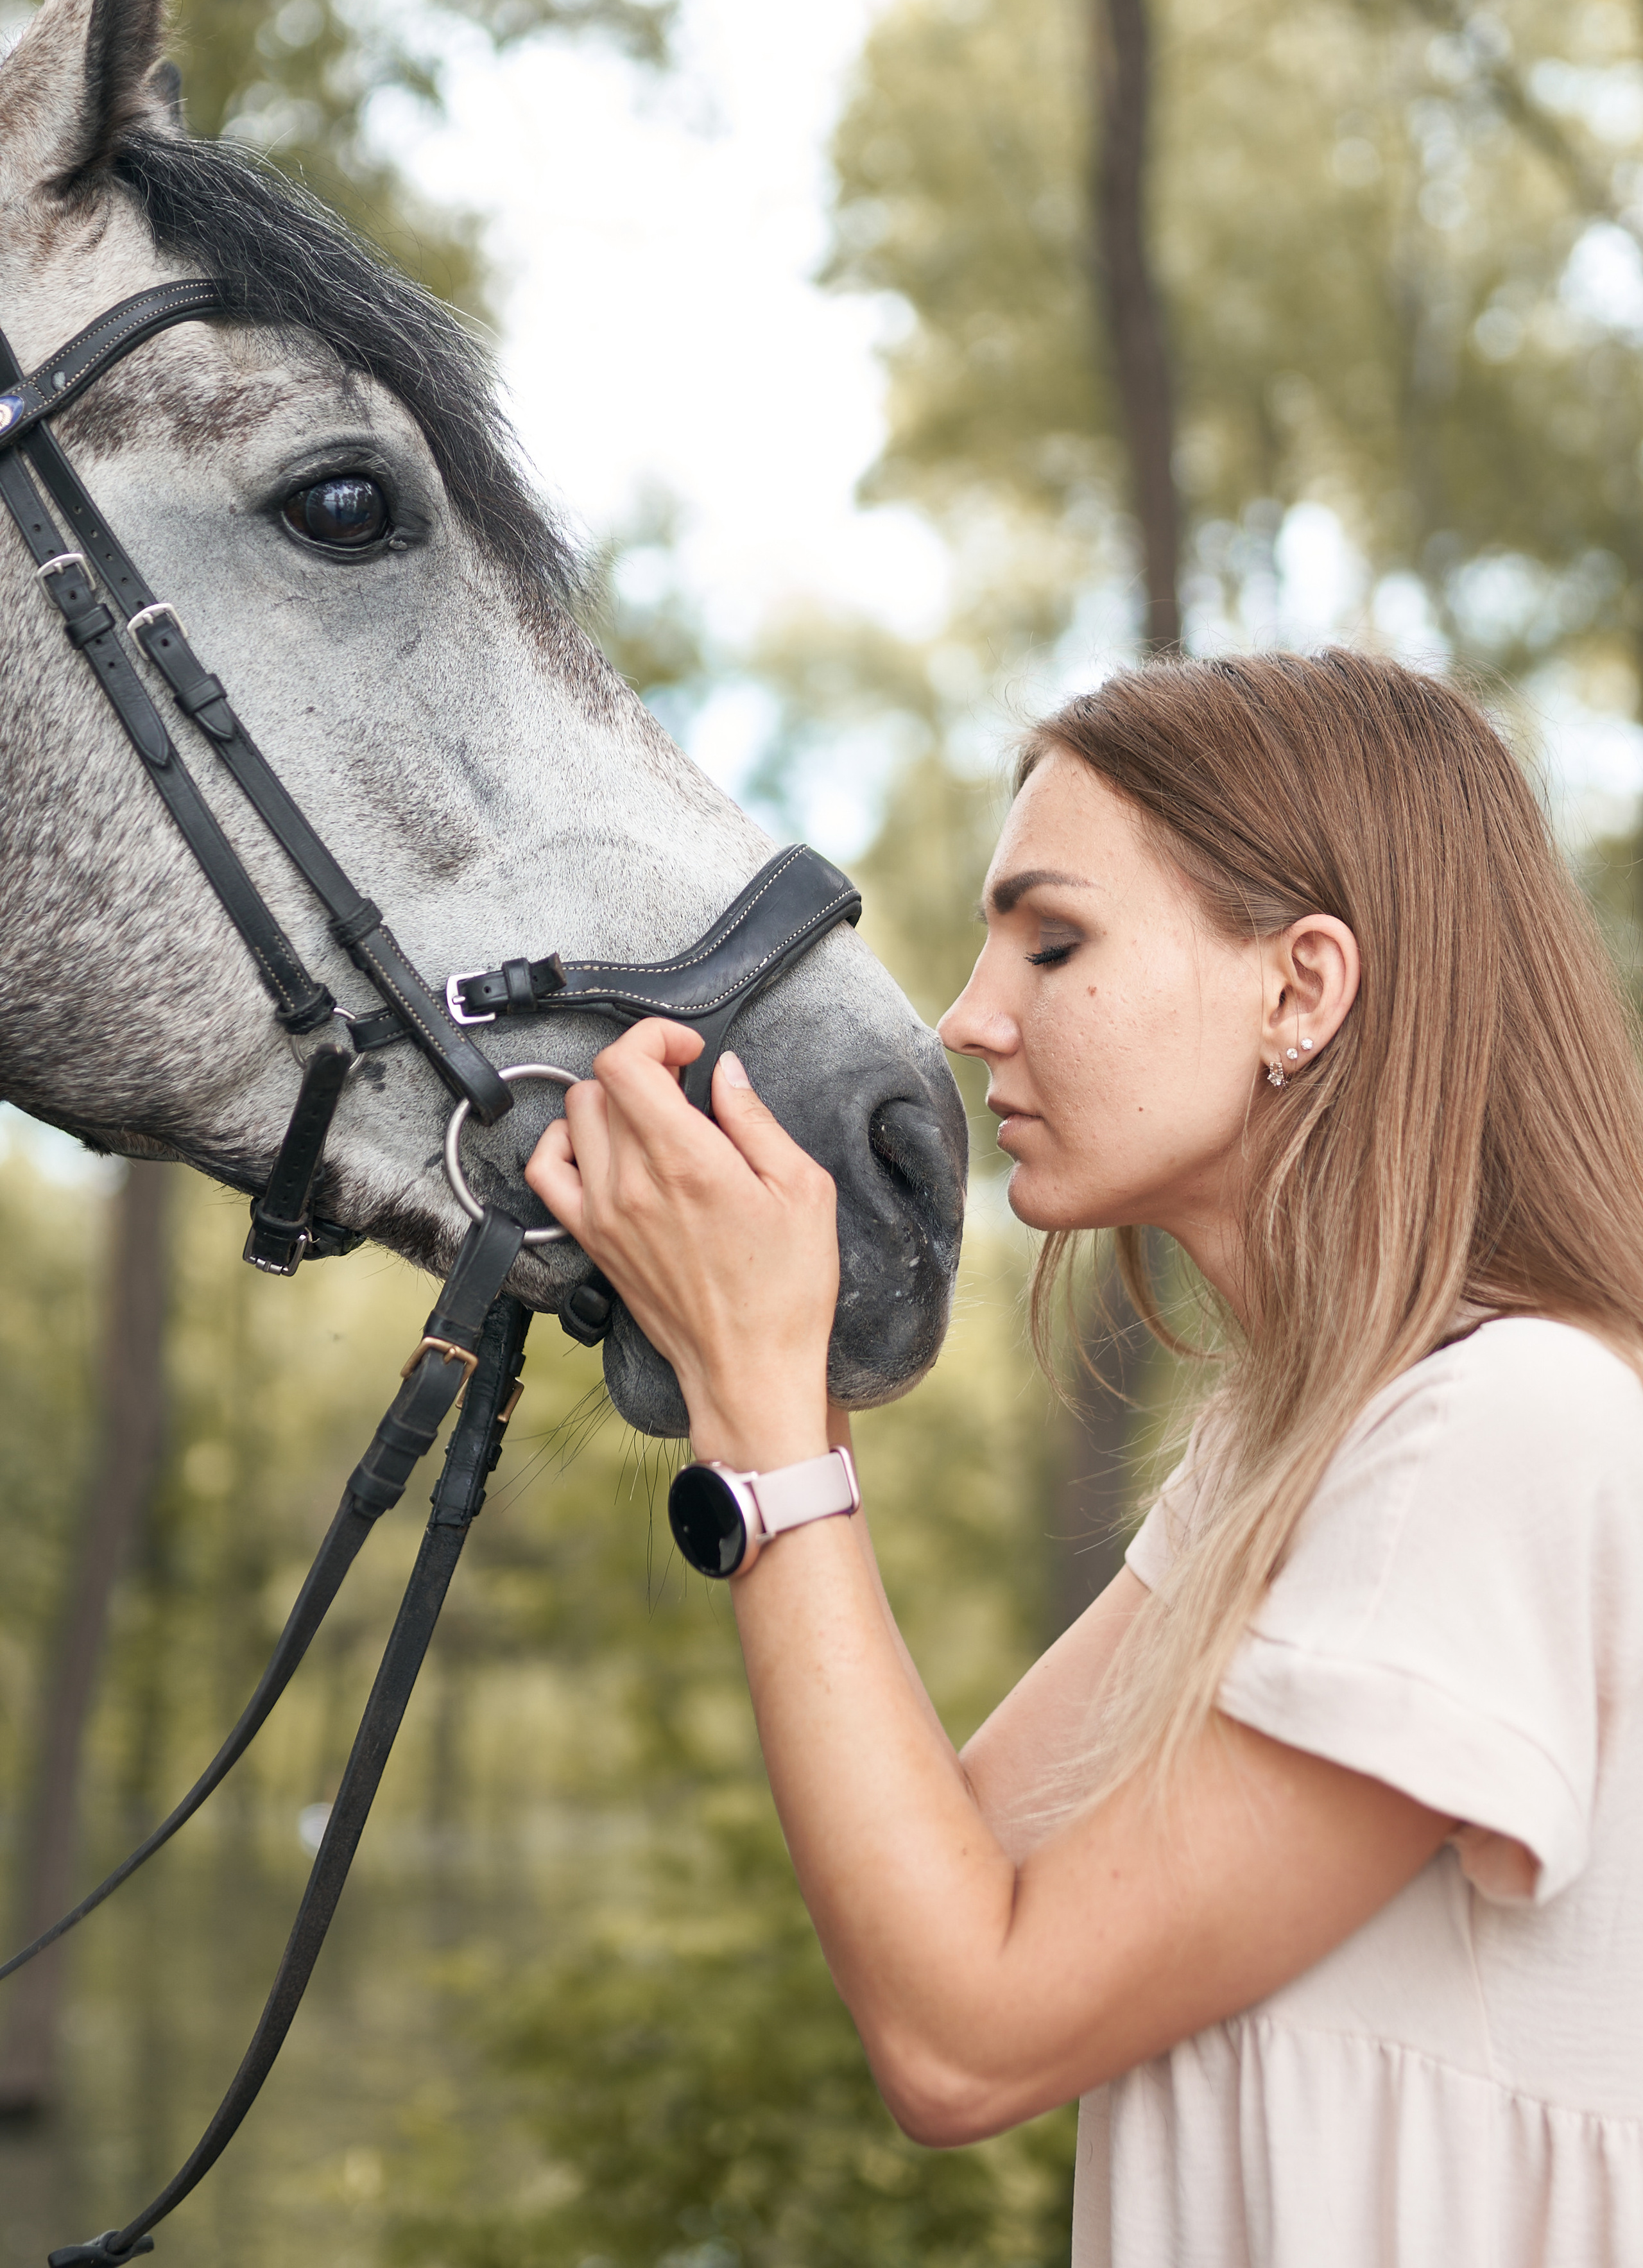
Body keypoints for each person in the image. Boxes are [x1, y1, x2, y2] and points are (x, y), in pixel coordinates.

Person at [525, 649, 1643, 2267]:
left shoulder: (1505, 1428)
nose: (970, 1020)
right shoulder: (1289, 1456)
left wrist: (770, 1416)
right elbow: (946, 1885)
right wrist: (760, 1360)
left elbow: (964, 2038)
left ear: (1302, 988)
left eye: (1053, 941)